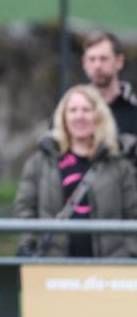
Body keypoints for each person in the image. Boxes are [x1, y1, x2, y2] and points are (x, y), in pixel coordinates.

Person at [14, 84, 137, 257]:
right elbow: (25, 210)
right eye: (73, 110)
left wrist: (129, 253)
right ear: (63, 117)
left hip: (109, 266)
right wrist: (29, 245)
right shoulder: (41, 162)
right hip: (53, 264)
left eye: (86, 110)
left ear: (98, 116)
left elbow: (132, 214)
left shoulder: (119, 165)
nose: (79, 116)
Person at [81, 31, 137, 158]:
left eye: (103, 59)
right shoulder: (72, 112)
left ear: (119, 61)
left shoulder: (134, 111)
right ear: (84, 63)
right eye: (92, 59)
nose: (97, 65)